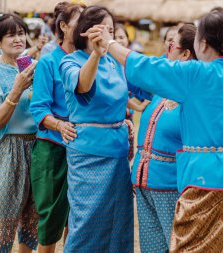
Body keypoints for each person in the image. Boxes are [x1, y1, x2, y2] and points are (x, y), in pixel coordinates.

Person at [84, 10, 223, 252]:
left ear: (201, 43)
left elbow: (145, 65)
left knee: (191, 247)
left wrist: (109, 43)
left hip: (211, 179)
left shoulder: (198, 74)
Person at [59, 6, 133, 252]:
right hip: (88, 152)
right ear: (87, 30)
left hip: (118, 150)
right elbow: (82, 84)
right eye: (104, 29)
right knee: (87, 220)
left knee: (118, 221)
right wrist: (96, 55)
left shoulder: (116, 62)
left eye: (112, 30)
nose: (109, 35)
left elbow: (134, 95)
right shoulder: (70, 60)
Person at [133, 24, 196, 253]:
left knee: (176, 246)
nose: (166, 49)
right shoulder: (162, 88)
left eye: (171, 45)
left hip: (171, 185)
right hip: (144, 181)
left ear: (186, 54)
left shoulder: (193, 93)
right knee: (151, 248)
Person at [0, 13, 38, 253]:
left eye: (21, 33)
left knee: (32, 223)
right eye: (11, 34)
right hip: (7, 151)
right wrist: (15, 90)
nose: (18, 39)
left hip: (37, 149)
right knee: (5, 226)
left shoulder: (33, 67)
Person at [30, 3, 83, 252]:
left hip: (84, 149)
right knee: (52, 219)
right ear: (63, 26)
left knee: (78, 220)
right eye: (79, 23)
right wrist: (60, 125)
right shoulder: (48, 62)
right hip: (53, 149)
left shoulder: (89, 60)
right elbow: (39, 109)